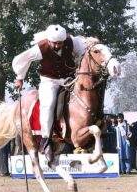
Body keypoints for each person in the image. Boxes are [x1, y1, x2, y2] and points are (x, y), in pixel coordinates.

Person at [12, 24, 87, 162]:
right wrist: (20, 78)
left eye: (60, 43)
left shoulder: (72, 41)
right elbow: (22, 59)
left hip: (69, 78)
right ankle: (46, 141)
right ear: (49, 40)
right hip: (49, 81)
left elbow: (83, 52)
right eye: (55, 43)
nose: (58, 46)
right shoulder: (41, 48)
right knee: (48, 104)